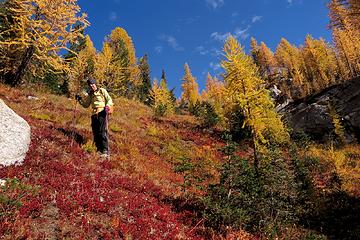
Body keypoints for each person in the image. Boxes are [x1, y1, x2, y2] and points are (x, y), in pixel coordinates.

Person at [75, 78, 113, 158]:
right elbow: (86, 105)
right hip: (94, 114)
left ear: (95, 84)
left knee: (102, 131)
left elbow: (109, 100)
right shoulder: (90, 94)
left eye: (93, 84)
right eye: (90, 85)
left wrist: (108, 106)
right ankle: (98, 149)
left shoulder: (102, 91)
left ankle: (105, 151)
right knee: (95, 133)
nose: (92, 86)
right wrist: (80, 99)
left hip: (102, 112)